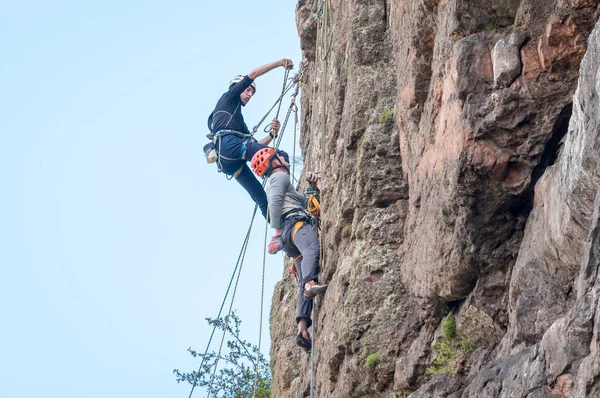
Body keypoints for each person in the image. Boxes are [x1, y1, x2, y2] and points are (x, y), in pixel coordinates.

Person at [249, 148, 327, 353]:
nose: (286, 159)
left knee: (303, 277)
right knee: (312, 250)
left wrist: (313, 187)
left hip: (290, 236)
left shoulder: (281, 181)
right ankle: (311, 284)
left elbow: (304, 201)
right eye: (281, 157)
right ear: (275, 163)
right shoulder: (280, 176)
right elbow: (273, 204)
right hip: (294, 225)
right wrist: (276, 231)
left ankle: (302, 329)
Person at [206, 58, 294, 219]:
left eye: (252, 92)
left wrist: (272, 135)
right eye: (247, 90)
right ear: (237, 88)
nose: (249, 94)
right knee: (279, 156)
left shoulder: (236, 120)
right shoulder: (229, 97)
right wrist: (280, 63)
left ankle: (280, 232)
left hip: (229, 160)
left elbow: (255, 146)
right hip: (229, 144)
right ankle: (289, 200)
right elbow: (253, 74)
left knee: (260, 197)